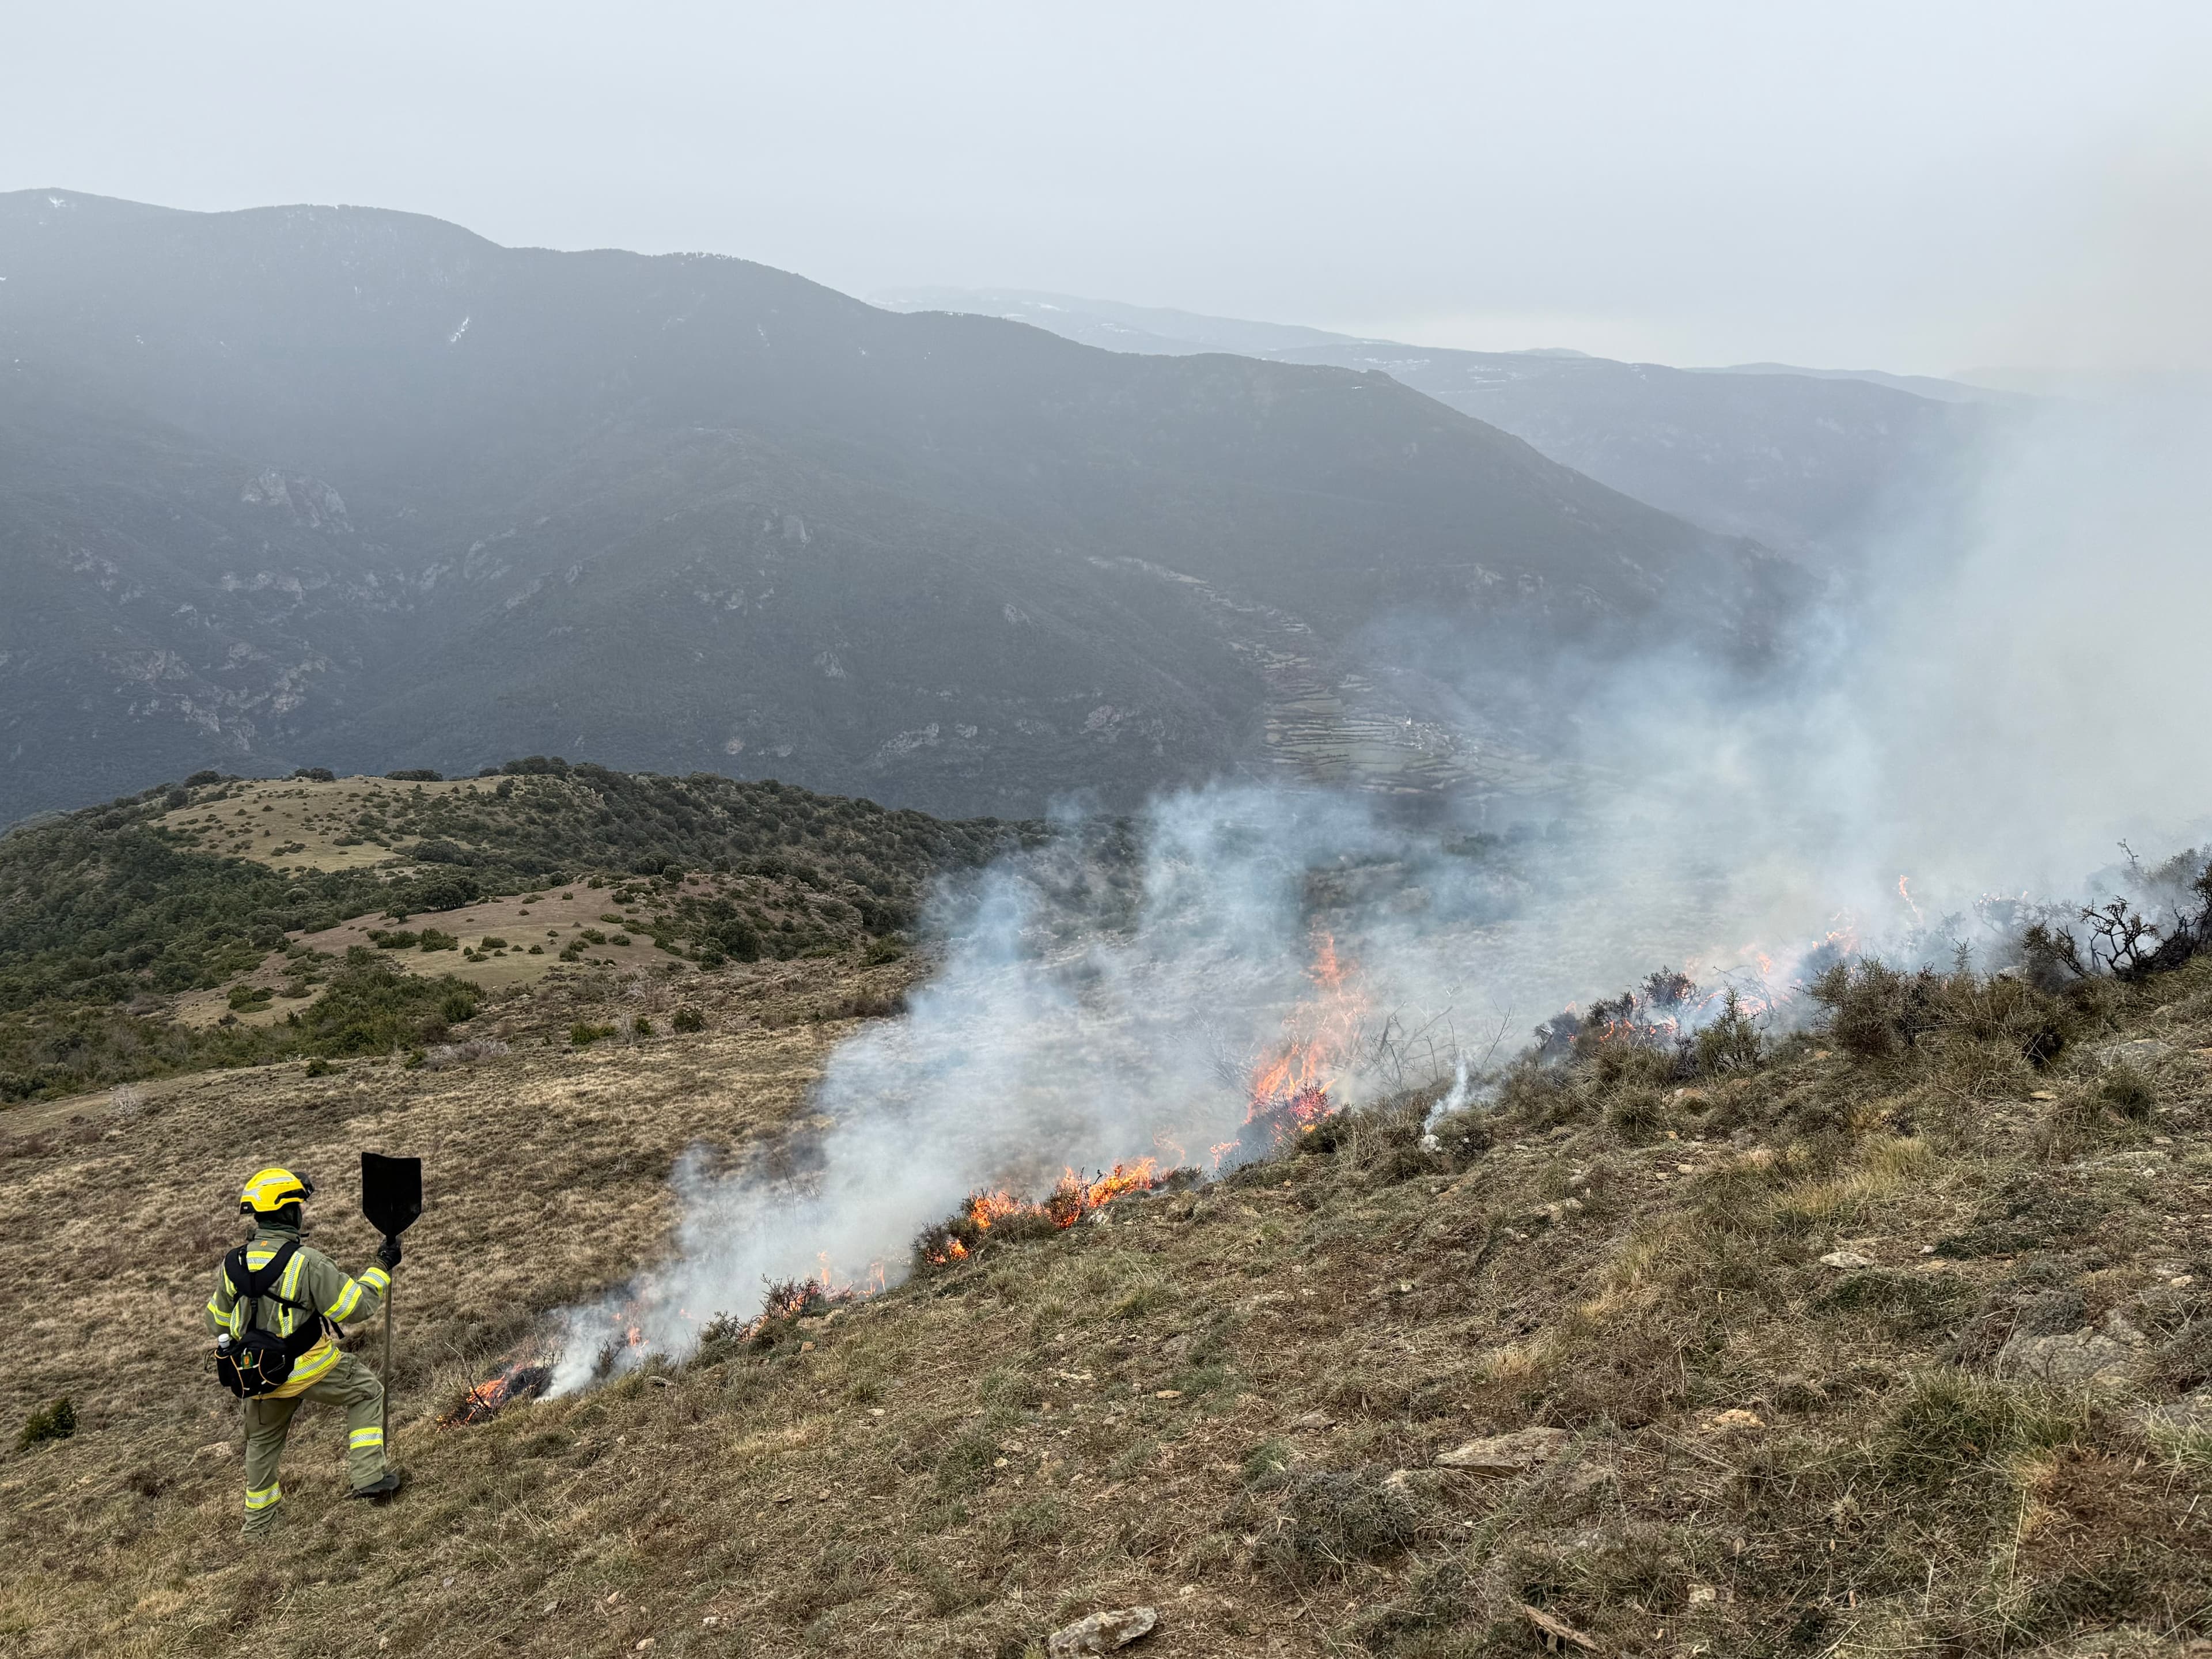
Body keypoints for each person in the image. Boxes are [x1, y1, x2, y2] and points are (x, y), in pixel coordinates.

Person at [204, 1167, 403, 1535]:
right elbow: (354, 1307)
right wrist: (382, 1266)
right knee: (366, 1390)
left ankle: (258, 1526)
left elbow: (215, 1323)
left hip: (256, 1374)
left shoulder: (232, 1263)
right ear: (288, 1213)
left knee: (261, 1444)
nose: (301, 1212)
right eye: (297, 1206)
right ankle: (369, 1477)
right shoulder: (307, 1261)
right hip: (307, 1367)